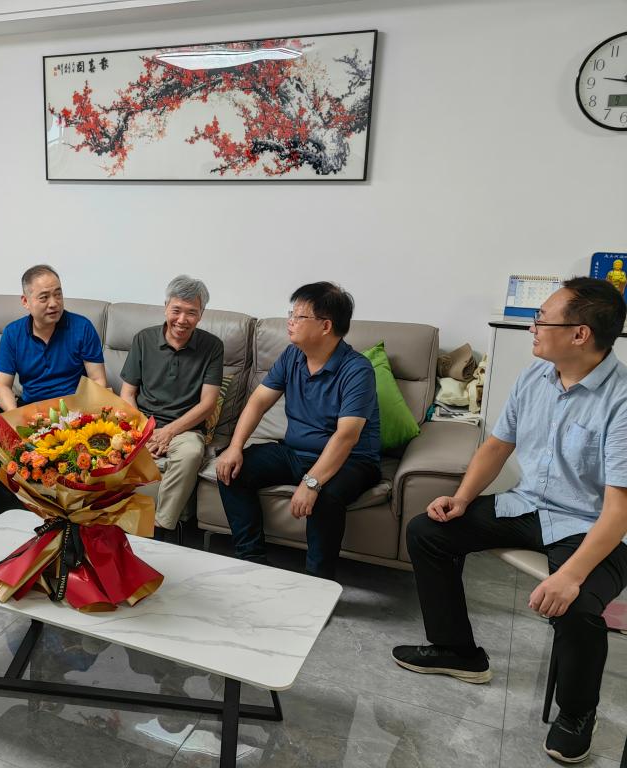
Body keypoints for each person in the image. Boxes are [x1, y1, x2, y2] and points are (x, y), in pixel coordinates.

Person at [392, 277, 627, 765]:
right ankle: (457, 651)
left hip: (593, 527)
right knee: (428, 531)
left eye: (542, 319)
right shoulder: (535, 376)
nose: (533, 327)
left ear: (580, 334)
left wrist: (569, 576)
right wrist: (461, 498)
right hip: (527, 505)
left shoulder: (622, 401)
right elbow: (497, 446)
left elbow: (618, 510)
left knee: (578, 606)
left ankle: (577, 713)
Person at [215, 282, 381, 579]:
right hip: (295, 452)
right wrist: (235, 447)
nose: (289, 322)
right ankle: (252, 562)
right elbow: (258, 402)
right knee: (231, 470)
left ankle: (318, 582)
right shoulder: (292, 356)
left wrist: (312, 483)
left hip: (351, 460)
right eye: (290, 314)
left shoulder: (357, 370)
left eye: (299, 316)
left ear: (326, 326)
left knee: (326, 496)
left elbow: (346, 437)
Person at [120, 275, 223, 538]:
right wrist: (145, 432)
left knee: (191, 453)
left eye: (191, 312)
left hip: (186, 429)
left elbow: (208, 404)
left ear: (201, 315)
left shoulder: (212, 346)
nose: (182, 319)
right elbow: (127, 393)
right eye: (176, 310)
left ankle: (160, 528)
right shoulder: (143, 339)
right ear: (166, 307)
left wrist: (168, 432)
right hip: (141, 424)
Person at [0, 265, 106, 410]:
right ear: (25, 301)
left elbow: (97, 379)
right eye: (44, 297)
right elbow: (2, 385)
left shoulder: (82, 327)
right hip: (31, 408)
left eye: (58, 294)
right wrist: (14, 416)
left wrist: (84, 413)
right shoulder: (12, 333)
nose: (54, 303)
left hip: (72, 408)